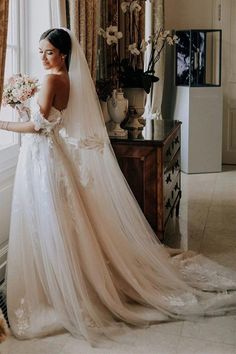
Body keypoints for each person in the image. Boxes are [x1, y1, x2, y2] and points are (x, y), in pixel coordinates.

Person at [1, 28, 236, 345]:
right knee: (58, 220)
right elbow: (47, 117)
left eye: (49, 52)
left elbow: (37, 125)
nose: (43, 57)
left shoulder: (54, 78)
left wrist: (3, 123)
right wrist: (23, 102)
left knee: (53, 220)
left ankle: (64, 287)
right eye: (40, 51)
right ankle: (61, 280)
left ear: (64, 54)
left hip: (44, 156)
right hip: (47, 154)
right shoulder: (60, 77)